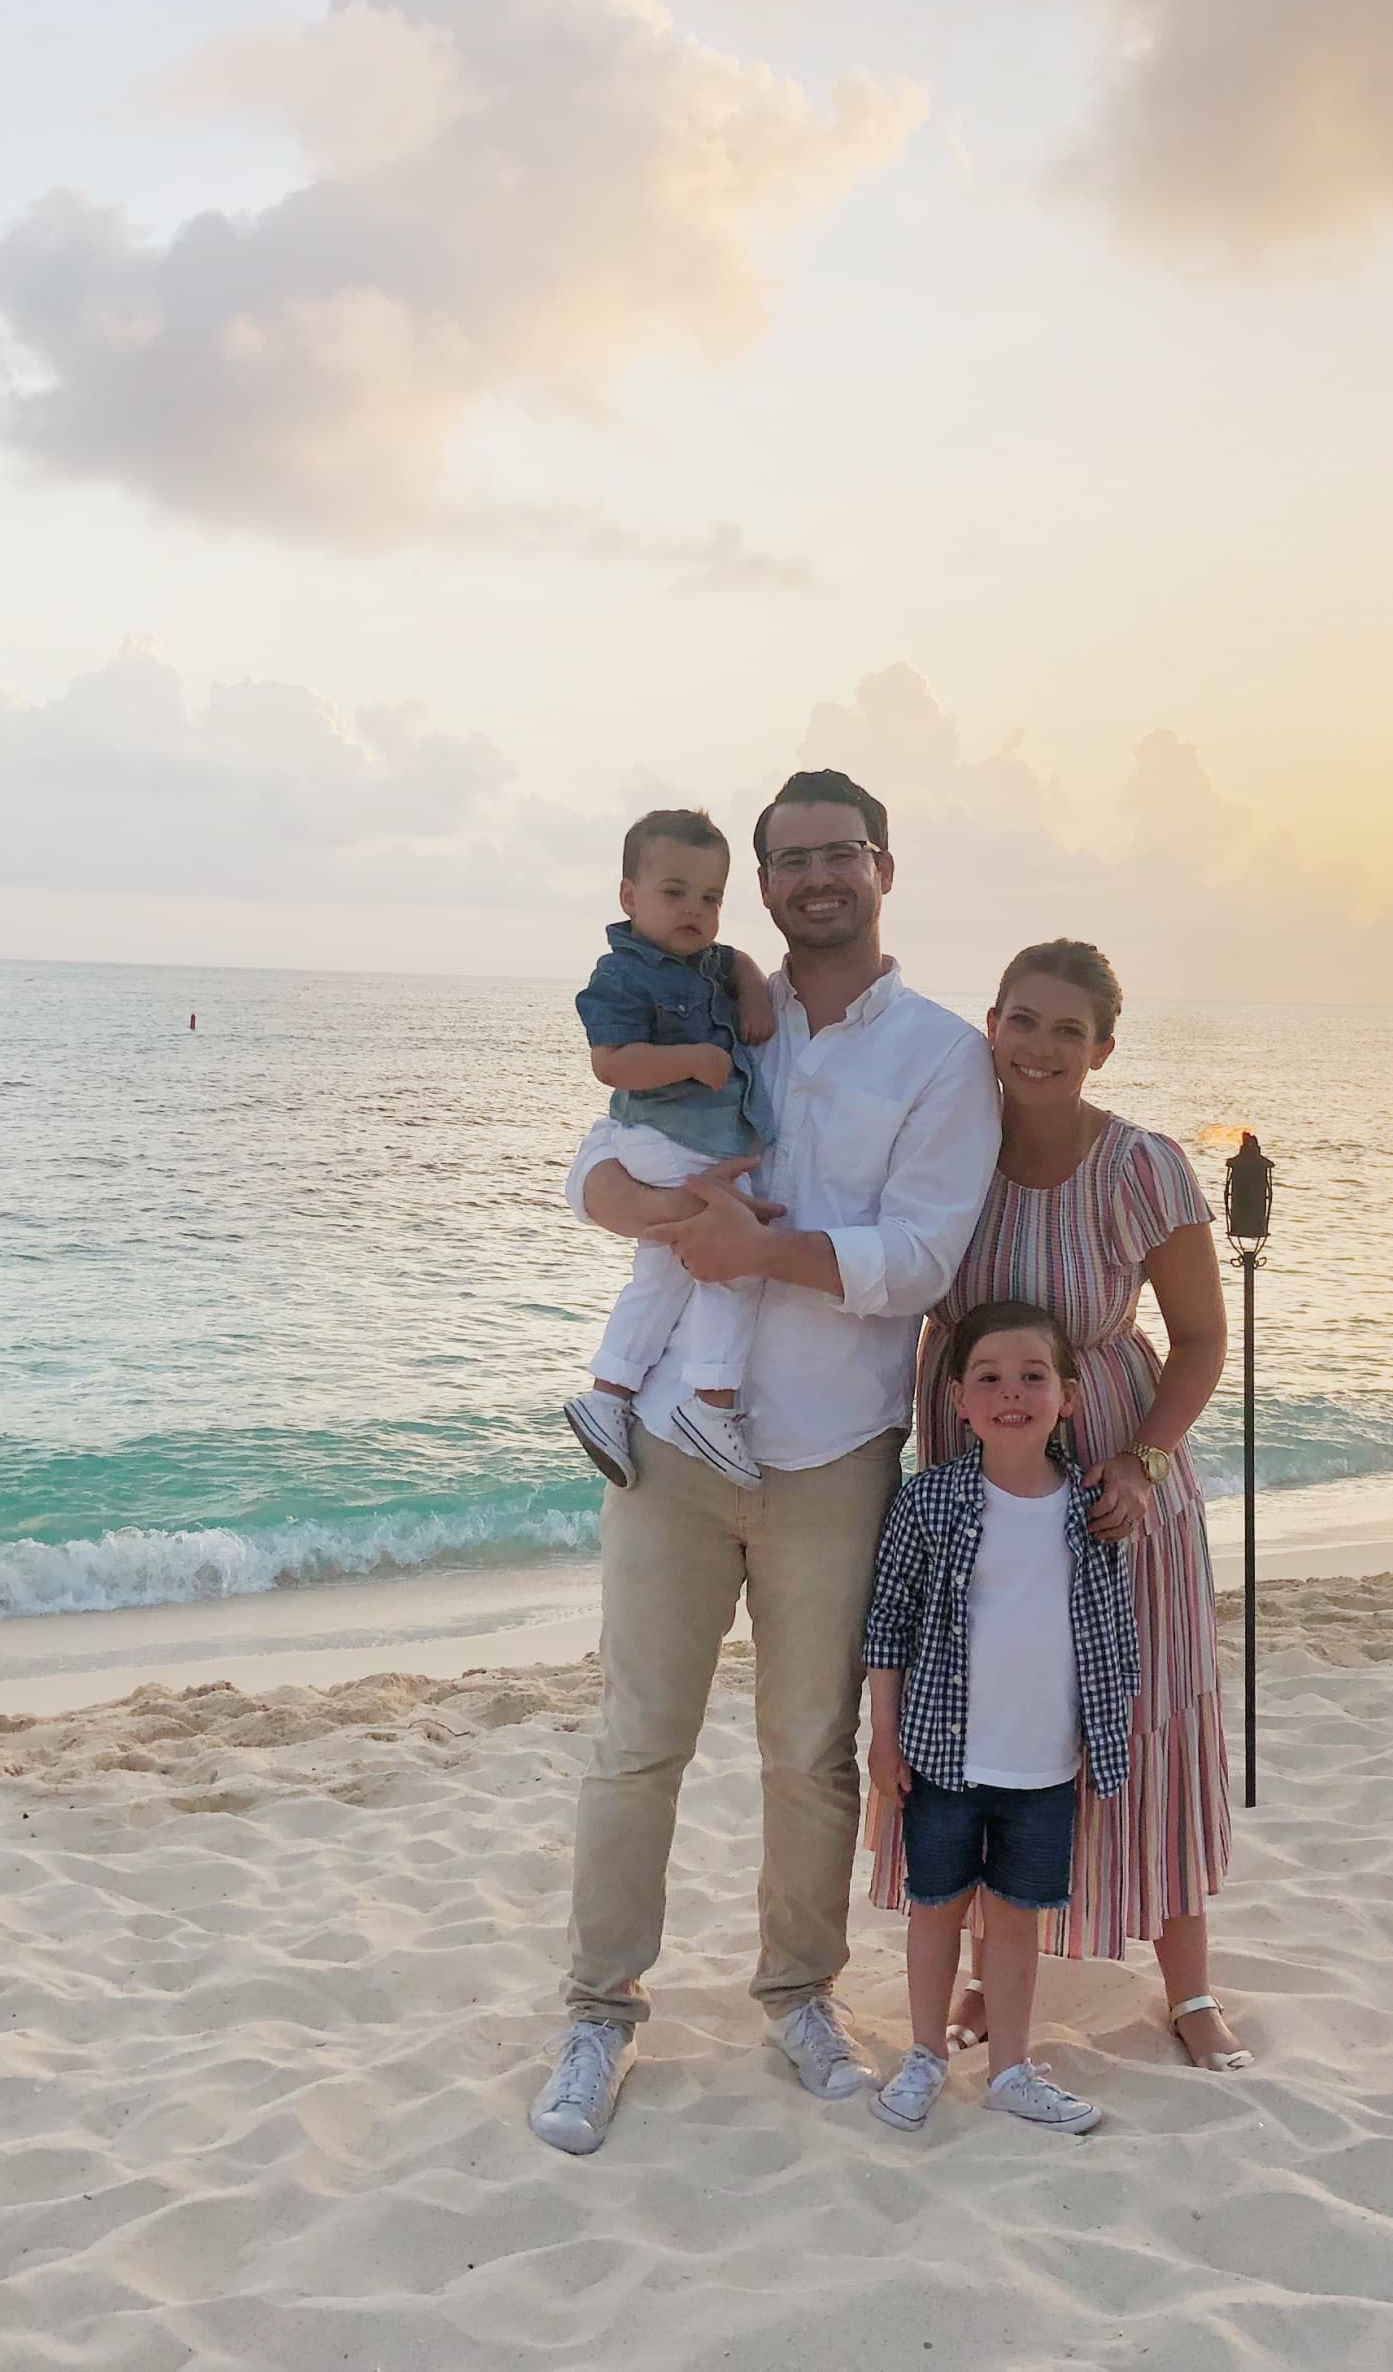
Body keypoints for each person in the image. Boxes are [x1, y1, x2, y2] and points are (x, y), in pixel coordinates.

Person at [528, 768, 1002, 2155]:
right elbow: (598, 1161)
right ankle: (598, 2015)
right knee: (636, 1743)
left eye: (838, 855)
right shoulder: (715, 995)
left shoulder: (939, 1056)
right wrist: (623, 1201)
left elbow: (923, 1253)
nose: (814, 879)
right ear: (764, 879)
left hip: (833, 1456)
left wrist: (759, 1253)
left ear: (883, 869)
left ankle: (798, 1997)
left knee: (810, 1753)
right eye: (789, 859)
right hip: (675, 1441)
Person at [868, 938, 1249, 2072]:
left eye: (1066, 1030)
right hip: (968, 1463)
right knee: (983, 1708)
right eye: (1021, 1021)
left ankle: (1185, 1990)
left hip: (1115, 1476)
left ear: (1101, 1048)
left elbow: (1197, 1338)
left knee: (1140, 1713)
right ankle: (992, 1969)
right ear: (989, 1024)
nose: (1039, 1047)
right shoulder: (945, 1152)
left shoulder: (1140, 1166)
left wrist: (1137, 1459)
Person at [863, 1302, 1136, 2136]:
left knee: (1017, 1922)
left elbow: (1111, 1632)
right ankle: (924, 2056)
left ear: (1069, 1397)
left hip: (1044, 1765)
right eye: (988, 1378)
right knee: (936, 1908)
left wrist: (1104, 1737)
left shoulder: (1092, 1511)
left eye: (1032, 1377)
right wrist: (882, 1734)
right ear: (956, 1401)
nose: (1010, 1394)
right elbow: (887, 1620)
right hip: (943, 1755)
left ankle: (1013, 2066)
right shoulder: (929, 1501)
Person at [562, 808, 778, 1490]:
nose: (695, 910)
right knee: (733, 1262)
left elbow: (748, 988)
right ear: (630, 897)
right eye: (674, 892)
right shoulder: (625, 974)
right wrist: (692, 1059)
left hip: (692, 1140)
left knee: (660, 1274)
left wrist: (745, 972)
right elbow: (611, 1063)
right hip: (665, 1137)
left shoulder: (714, 963)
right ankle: (711, 1402)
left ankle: (609, 1394)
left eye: (711, 898)